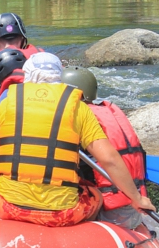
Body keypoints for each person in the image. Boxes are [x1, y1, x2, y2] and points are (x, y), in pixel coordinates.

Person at [0, 53, 155, 227]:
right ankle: (76, 240)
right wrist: (137, 199)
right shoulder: (78, 107)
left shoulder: (8, 101)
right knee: (96, 197)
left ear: (27, 75)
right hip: (63, 213)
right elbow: (109, 159)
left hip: (9, 206)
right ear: (59, 77)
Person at [62, 66, 150, 229]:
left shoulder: (80, 117)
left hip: (111, 213)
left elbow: (108, 160)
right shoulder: (107, 111)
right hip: (132, 206)